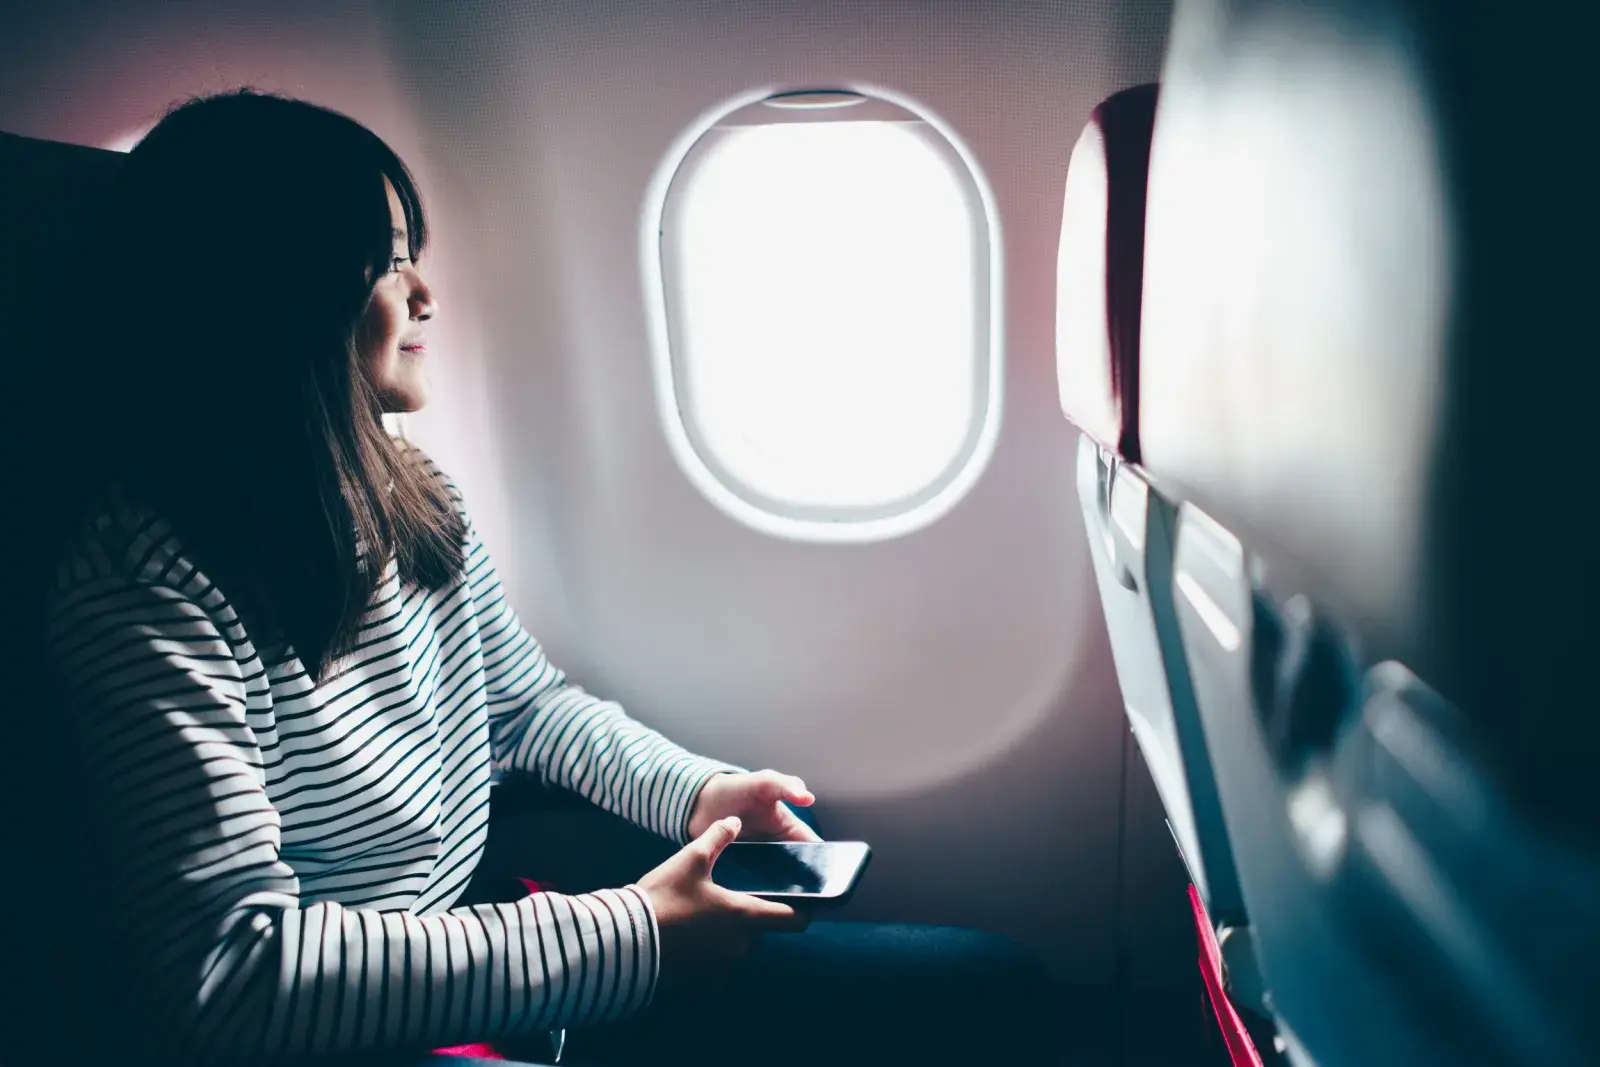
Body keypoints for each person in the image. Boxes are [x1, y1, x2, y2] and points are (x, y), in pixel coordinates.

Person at [36, 89, 1054, 1067]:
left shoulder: (405, 490)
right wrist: (627, 933)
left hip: (485, 956)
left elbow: (523, 710)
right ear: (280, 295)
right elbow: (229, 979)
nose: (426, 295)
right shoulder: (143, 593)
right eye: (392, 265)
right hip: (348, 1036)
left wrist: (694, 790)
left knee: (994, 986)